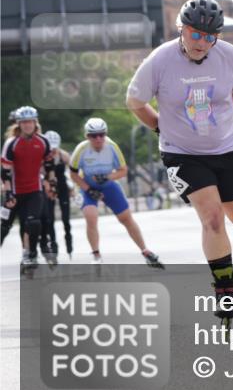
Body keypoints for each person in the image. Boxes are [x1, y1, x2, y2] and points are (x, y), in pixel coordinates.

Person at [126, 0, 233, 326]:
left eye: (210, 36)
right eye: (195, 34)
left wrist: (221, 117)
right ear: (181, 29)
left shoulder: (231, 57)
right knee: (213, 218)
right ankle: (226, 284)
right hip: (182, 154)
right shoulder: (159, 61)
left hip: (227, 149)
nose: (202, 42)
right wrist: (160, 125)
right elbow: (134, 101)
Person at [68, 117, 163, 268]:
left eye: (101, 134)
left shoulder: (112, 147)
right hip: (87, 186)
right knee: (91, 217)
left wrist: (107, 176)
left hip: (108, 185)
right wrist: (88, 189)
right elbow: (73, 174)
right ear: (87, 136)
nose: (98, 138)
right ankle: (96, 255)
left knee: (126, 218)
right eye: (93, 135)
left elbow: (123, 171)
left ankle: (145, 251)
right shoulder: (81, 150)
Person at [1, 106, 52, 275]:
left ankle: (29, 254)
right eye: (24, 122)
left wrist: (51, 181)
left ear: (35, 123)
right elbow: (5, 172)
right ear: (18, 124)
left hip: (34, 190)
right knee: (3, 228)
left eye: (30, 122)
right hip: (14, 191)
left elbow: (48, 164)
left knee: (32, 223)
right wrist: (8, 193)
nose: (27, 125)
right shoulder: (12, 144)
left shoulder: (43, 142)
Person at [40, 130, 74, 263]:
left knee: (66, 218)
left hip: (62, 186)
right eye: (51, 148)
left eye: (55, 148)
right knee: (50, 219)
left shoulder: (63, 155)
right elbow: (42, 174)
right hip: (49, 187)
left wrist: (71, 186)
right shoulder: (43, 158)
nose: (53, 151)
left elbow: (71, 171)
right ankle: (53, 246)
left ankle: (69, 242)